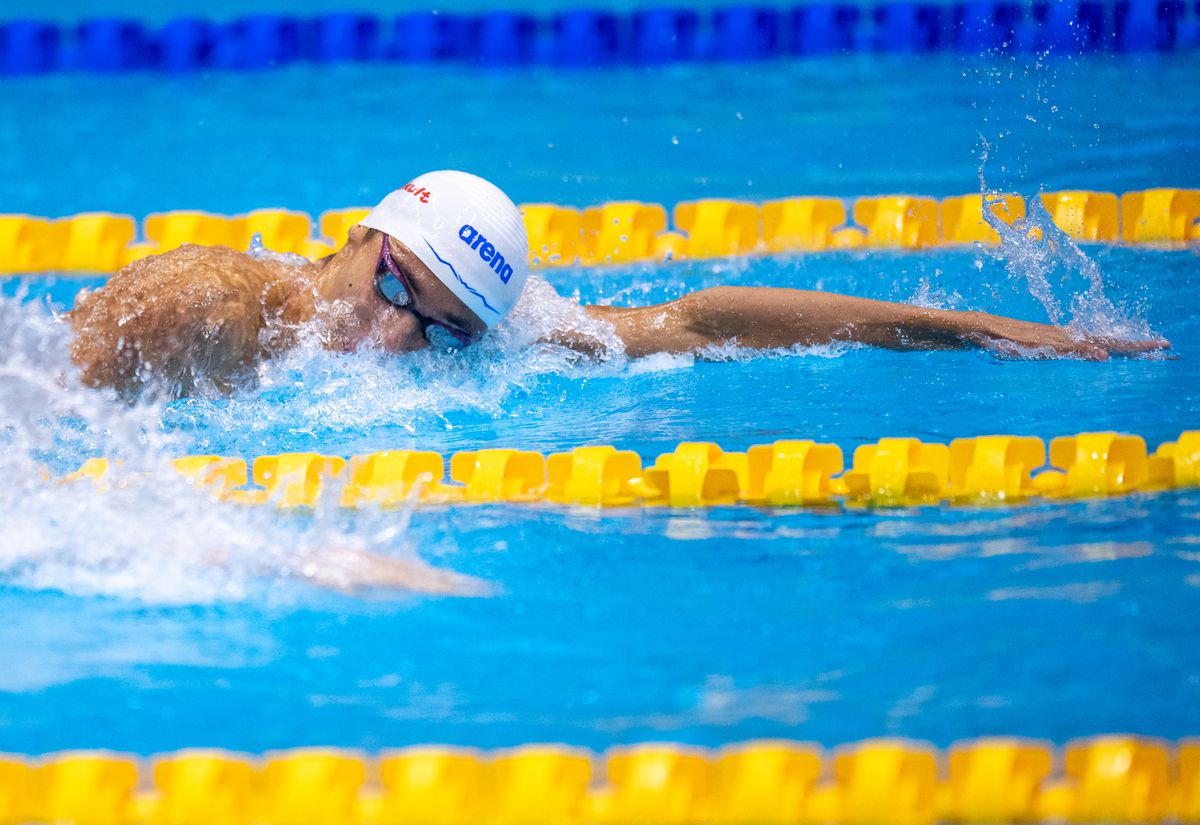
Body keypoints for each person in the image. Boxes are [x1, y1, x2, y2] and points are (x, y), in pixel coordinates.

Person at [68, 170, 1166, 401]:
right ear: (361, 240)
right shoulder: (205, 306)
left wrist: (970, 325)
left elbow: (694, 320)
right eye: (396, 295)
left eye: (443, 334)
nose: (396, 342)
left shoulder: (492, 337)